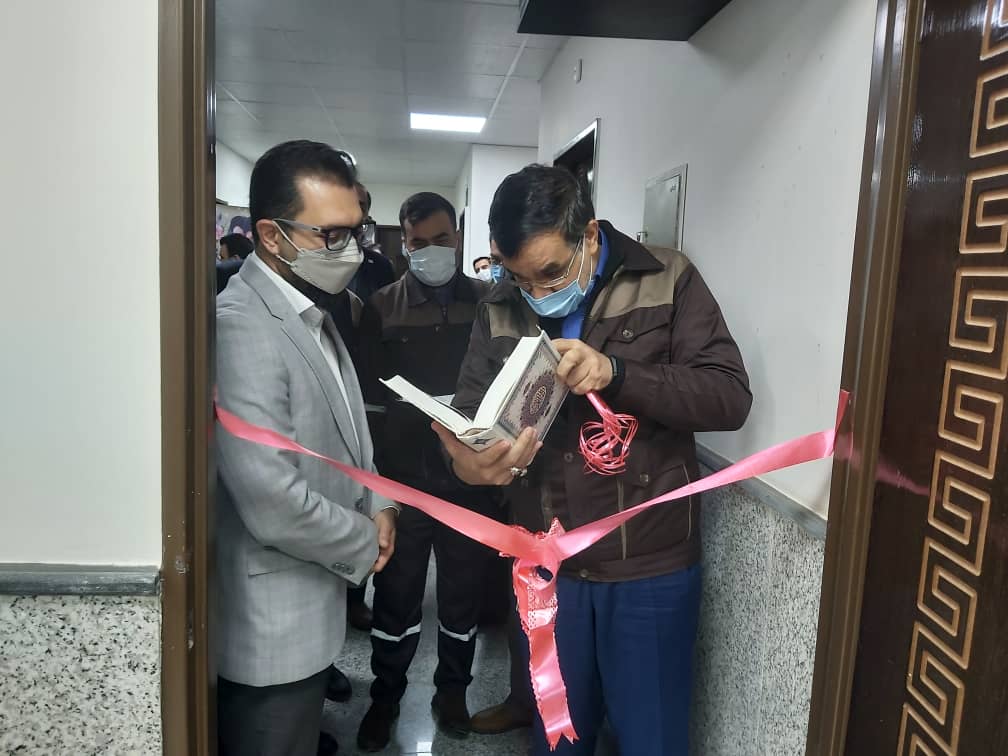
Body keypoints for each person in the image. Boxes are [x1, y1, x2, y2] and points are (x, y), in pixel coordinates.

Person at [437, 165, 752, 756]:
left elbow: (728, 396)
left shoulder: (667, 278)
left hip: (647, 565)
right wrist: (468, 463)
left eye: (550, 274)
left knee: (652, 739)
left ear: (587, 235)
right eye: (518, 277)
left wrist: (619, 372)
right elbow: (470, 412)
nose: (536, 293)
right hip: (545, 565)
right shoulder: (499, 305)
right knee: (558, 737)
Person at [215, 139, 399, 756]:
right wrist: (366, 538)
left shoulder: (310, 309)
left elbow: (350, 435)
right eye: (332, 235)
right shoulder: (241, 326)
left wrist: (379, 500)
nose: (352, 251)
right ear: (272, 235)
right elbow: (271, 501)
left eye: (358, 231)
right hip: (273, 622)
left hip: (313, 599)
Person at [355, 192, 497, 752]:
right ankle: (385, 698)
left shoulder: (487, 301)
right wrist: (375, 489)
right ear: (404, 244)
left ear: (457, 237)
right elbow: (368, 401)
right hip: (404, 479)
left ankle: (452, 694)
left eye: (441, 239)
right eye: (419, 243)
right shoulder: (381, 307)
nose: (431, 251)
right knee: (396, 596)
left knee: (463, 594)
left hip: (468, 481)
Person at [347, 182, 396, 302]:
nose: (352, 213)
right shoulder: (313, 258)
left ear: (366, 215)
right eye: (346, 205)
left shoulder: (382, 265)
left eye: (360, 207)